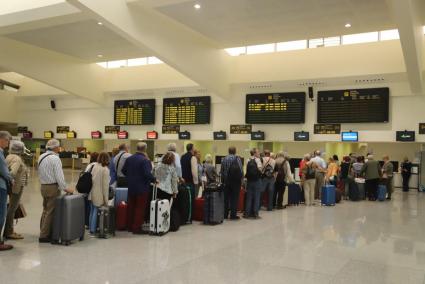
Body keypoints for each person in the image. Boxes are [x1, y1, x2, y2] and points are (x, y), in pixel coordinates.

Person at [38, 139, 73, 243]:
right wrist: (66, 188)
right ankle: (44, 235)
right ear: (56, 147)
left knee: (45, 210)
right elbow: (59, 177)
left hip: (43, 186)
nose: (60, 148)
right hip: (52, 187)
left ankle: (43, 230)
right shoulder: (55, 159)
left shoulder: (41, 156)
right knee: (51, 211)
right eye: (59, 146)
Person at [122, 142, 155, 234]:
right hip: (142, 187)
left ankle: (129, 226)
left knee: (131, 207)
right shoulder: (145, 160)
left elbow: (123, 170)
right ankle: (136, 228)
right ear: (145, 149)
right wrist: (154, 179)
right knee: (140, 208)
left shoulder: (129, 159)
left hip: (131, 186)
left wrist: (130, 177)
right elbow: (147, 174)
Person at [4, 141, 29, 240]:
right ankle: (9, 232)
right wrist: (12, 180)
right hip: (16, 187)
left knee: (11, 208)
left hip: (11, 186)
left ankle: (9, 230)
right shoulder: (17, 159)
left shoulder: (9, 156)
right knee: (12, 209)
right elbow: (12, 173)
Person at [88, 152, 110, 235]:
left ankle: (91, 228)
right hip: (99, 193)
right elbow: (105, 187)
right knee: (96, 211)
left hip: (92, 192)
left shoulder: (95, 166)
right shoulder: (105, 170)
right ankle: (93, 230)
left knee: (92, 210)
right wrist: (106, 200)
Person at [220, 146, 243, 220]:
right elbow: (241, 170)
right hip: (235, 182)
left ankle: (225, 214)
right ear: (235, 151)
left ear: (228, 151)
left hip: (226, 182)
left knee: (226, 199)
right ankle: (233, 215)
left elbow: (222, 171)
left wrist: (223, 181)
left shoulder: (224, 159)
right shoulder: (237, 158)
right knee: (234, 198)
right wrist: (241, 180)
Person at [0, 131, 14, 250]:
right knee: (1, 213)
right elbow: (4, 171)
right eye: (7, 140)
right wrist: (11, 179)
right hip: (1, 187)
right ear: (1, 139)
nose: (8, 143)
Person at [181, 143, 198, 219]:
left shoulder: (182, 157)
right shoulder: (193, 158)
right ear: (192, 149)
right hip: (190, 182)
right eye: (194, 148)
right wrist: (196, 182)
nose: (195, 149)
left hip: (183, 181)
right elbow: (194, 171)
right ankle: (190, 217)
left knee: (185, 200)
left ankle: (184, 215)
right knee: (191, 201)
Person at [244, 148, 262, 219]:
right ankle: (255, 213)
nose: (259, 153)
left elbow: (247, 170)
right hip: (257, 180)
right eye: (257, 152)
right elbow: (260, 169)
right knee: (257, 197)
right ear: (254, 153)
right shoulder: (258, 160)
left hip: (249, 180)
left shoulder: (247, 160)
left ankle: (247, 213)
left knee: (249, 197)